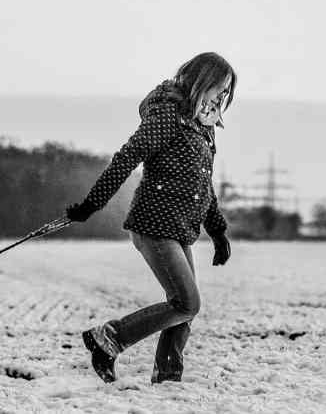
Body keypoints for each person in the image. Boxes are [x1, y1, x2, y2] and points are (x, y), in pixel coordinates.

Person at [66, 52, 235, 384]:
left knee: (183, 309)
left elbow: (204, 183)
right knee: (187, 303)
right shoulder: (168, 114)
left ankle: (168, 379)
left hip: (181, 227)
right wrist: (91, 204)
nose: (223, 95)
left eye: (228, 90)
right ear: (202, 79)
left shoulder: (204, 124)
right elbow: (127, 158)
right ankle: (109, 337)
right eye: (220, 86)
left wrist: (218, 231)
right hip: (154, 224)